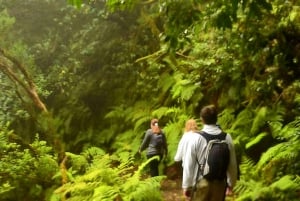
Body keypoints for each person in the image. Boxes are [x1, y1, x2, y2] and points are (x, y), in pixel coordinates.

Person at [176, 105, 238, 201]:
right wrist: (231, 184)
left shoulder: (196, 138)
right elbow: (232, 164)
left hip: (201, 184)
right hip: (220, 184)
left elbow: (189, 164)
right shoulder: (227, 137)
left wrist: (186, 186)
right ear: (216, 118)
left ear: (202, 119)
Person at [174, 119, 200, 201]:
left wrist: (177, 158)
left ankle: (187, 197)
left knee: (187, 182)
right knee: (197, 182)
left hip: (187, 163)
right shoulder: (199, 136)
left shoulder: (185, 137)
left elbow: (180, 150)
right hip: (198, 164)